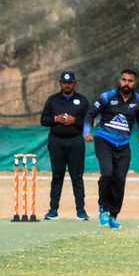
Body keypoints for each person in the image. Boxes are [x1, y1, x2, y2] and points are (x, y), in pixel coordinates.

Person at [83, 68, 139, 229]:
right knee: (107, 174)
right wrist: (86, 132)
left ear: (134, 83)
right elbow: (90, 114)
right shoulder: (107, 97)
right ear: (120, 81)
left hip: (123, 147)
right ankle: (103, 210)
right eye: (124, 80)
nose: (126, 83)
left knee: (120, 180)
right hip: (104, 141)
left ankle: (112, 215)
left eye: (130, 81)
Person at [39, 70, 90, 221]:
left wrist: (75, 121)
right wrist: (55, 119)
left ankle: (81, 211)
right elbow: (43, 120)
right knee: (57, 176)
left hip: (76, 142)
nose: (67, 85)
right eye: (64, 82)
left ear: (74, 83)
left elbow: (89, 122)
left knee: (77, 177)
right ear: (60, 83)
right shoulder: (53, 100)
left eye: (70, 82)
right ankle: (53, 210)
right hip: (57, 142)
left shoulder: (82, 101)